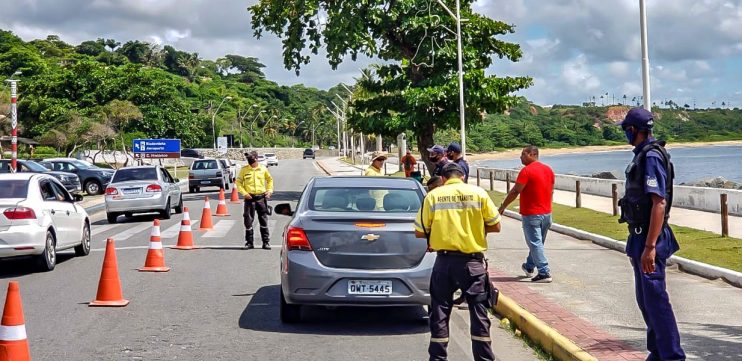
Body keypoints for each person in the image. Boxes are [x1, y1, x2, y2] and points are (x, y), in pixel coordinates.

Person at [415, 163, 502, 361]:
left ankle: (438, 358)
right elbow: (496, 226)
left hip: (444, 263)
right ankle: (484, 358)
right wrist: (473, 230)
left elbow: (419, 230)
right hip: (472, 264)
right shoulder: (478, 193)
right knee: (478, 311)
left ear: (444, 178)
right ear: (462, 176)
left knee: (440, 311)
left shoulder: (434, 196)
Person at [618, 108, 685, 361]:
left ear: (634, 130)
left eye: (627, 129)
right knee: (646, 301)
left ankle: (672, 357)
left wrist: (650, 246)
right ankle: (657, 352)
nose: (626, 133)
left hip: (650, 238)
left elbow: (659, 203)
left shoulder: (652, 157)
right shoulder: (642, 155)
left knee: (656, 302)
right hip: (639, 236)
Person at [498, 146, 555, 283]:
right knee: (538, 243)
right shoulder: (549, 170)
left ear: (532, 154)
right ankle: (529, 266)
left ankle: (544, 272)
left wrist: (503, 206)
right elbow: (551, 191)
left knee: (535, 243)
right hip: (547, 213)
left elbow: (515, 191)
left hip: (532, 213)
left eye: (523, 154)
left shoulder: (526, 171)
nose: (520, 157)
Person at [236, 151, 274, 250]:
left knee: (263, 220)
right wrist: (244, 193)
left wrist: (269, 191)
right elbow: (239, 182)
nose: (250, 162)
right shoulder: (244, 170)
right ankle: (249, 243)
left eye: (252, 160)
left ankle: (266, 242)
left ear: (257, 159)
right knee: (248, 220)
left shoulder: (263, 169)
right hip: (249, 198)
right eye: (249, 161)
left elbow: (270, 180)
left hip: (261, 198)